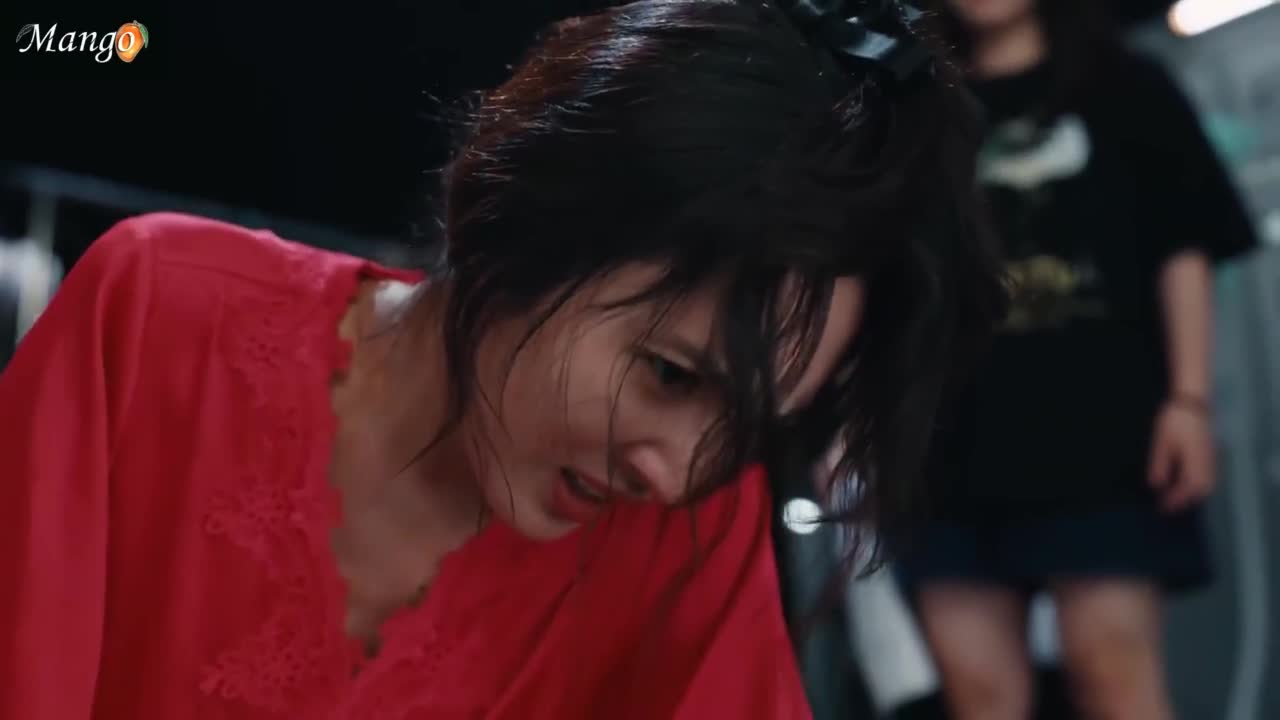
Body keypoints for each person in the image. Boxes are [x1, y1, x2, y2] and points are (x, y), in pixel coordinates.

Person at [0, 1, 1005, 718]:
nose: (674, 471)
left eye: (745, 429)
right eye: (668, 372)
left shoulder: (687, 533)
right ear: (527, 219)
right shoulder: (161, 314)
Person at [897, 1, 1260, 719]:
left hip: (1104, 432)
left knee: (1112, 667)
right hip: (944, 440)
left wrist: (1189, 402)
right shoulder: (911, 109)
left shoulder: (1126, 85)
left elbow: (1183, 247)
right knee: (978, 692)